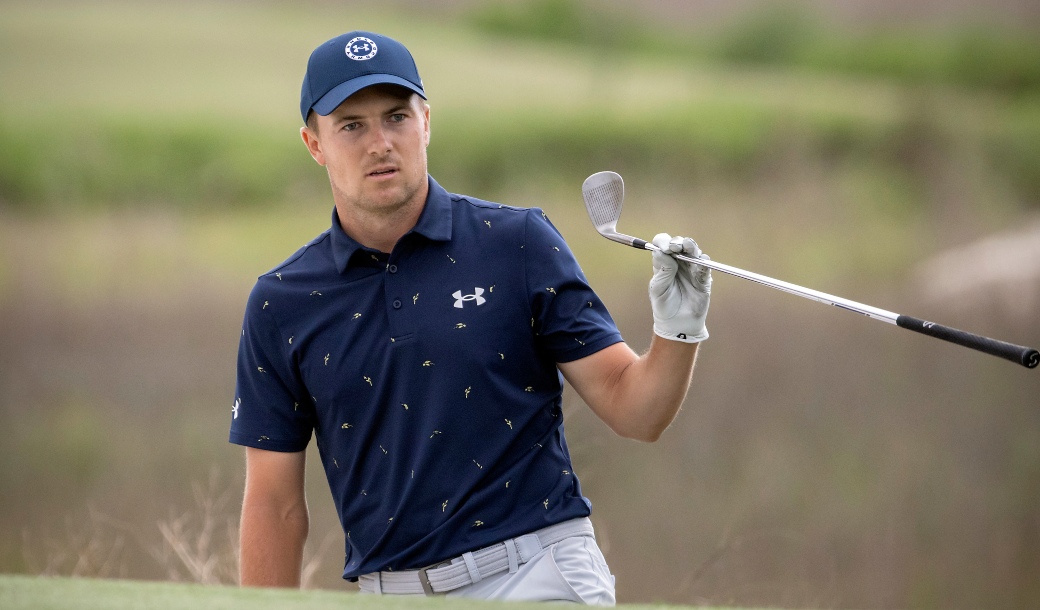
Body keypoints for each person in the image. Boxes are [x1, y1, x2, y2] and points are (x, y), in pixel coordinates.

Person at [229, 30, 712, 605]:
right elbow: (275, 505)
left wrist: (677, 330)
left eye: (396, 117)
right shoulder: (281, 302)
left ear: (426, 121)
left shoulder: (515, 243)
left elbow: (637, 412)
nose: (380, 142)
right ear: (315, 144)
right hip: (390, 591)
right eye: (352, 126)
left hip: (538, 573)